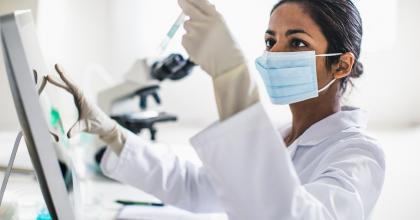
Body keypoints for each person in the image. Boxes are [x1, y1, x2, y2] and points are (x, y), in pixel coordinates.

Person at [46, 0, 385, 219]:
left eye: (297, 42)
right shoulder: (283, 135)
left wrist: (231, 76)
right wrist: (111, 133)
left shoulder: (359, 155)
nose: (276, 54)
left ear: (341, 65)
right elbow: (195, 187)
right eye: (271, 41)